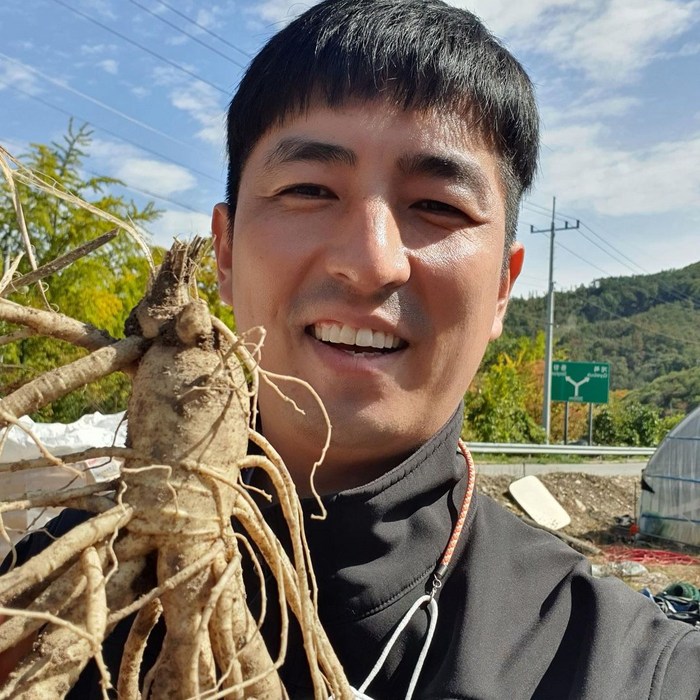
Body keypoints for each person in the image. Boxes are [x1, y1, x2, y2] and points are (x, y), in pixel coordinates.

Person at [2, 1, 700, 697]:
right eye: (309, 189)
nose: (371, 262)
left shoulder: (635, 670)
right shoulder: (37, 604)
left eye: (438, 206)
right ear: (223, 248)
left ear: (500, 291)